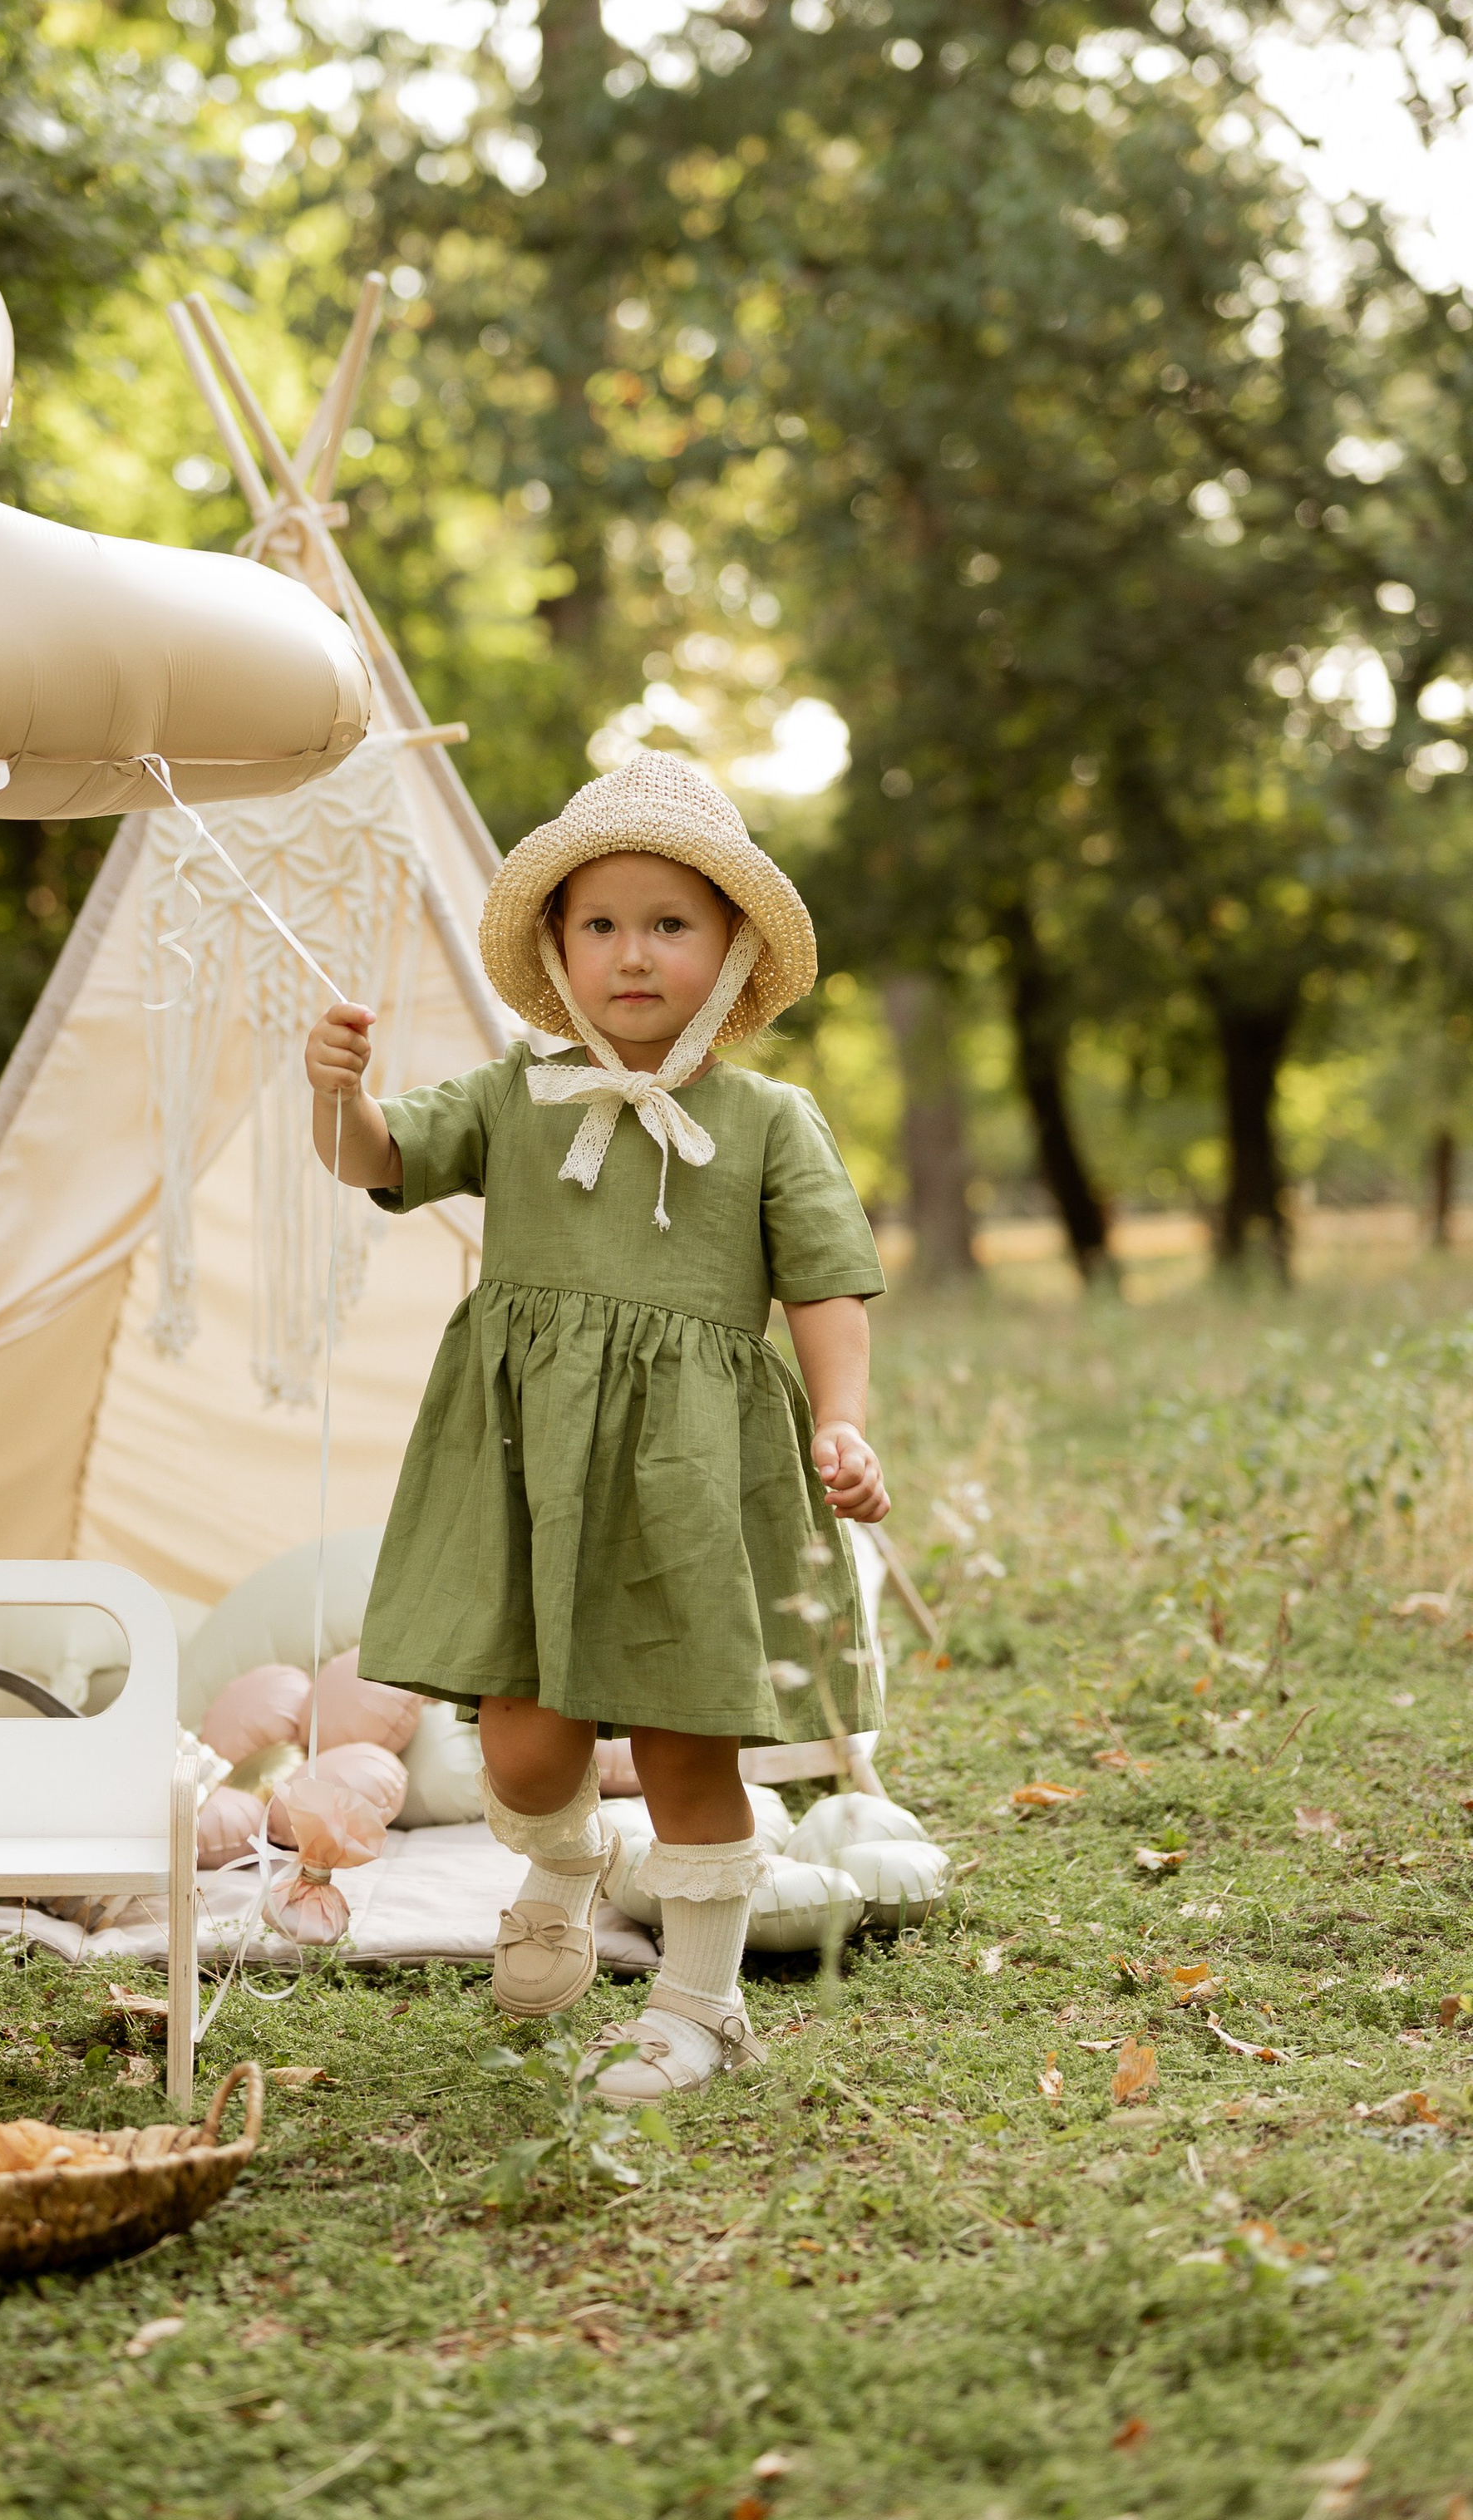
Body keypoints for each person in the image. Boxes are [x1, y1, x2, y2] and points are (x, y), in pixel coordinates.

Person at [303, 751, 889, 2103]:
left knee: (689, 1739)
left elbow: (828, 1287)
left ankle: (698, 2004)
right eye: (603, 925)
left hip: (691, 1468)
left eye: (671, 924)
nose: (635, 954)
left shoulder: (766, 1121)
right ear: (561, 952)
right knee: (523, 1740)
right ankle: (562, 1862)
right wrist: (339, 1090)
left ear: (733, 955)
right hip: (525, 1461)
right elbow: (379, 1157)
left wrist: (845, 1427)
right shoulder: (516, 1094)